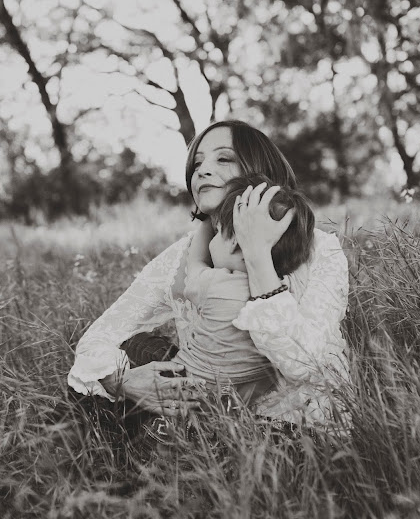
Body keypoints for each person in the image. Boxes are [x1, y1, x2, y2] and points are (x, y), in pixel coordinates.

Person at [68, 120, 349, 439]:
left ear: (259, 169)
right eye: (197, 164)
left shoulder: (320, 249)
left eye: (223, 158)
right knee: (134, 352)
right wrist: (123, 381)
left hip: (296, 432)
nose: (202, 171)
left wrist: (257, 255)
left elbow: (304, 364)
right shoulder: (180, 256)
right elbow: (98, 338)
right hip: (206, 409)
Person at [171, 173, 315, 411]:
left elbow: (195, 261)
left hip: (188, 391)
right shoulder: (289, 288)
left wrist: (207, 219)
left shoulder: (216, 284)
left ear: (234, 241)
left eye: (218, 231)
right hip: (240, 404)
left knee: (140, 345)